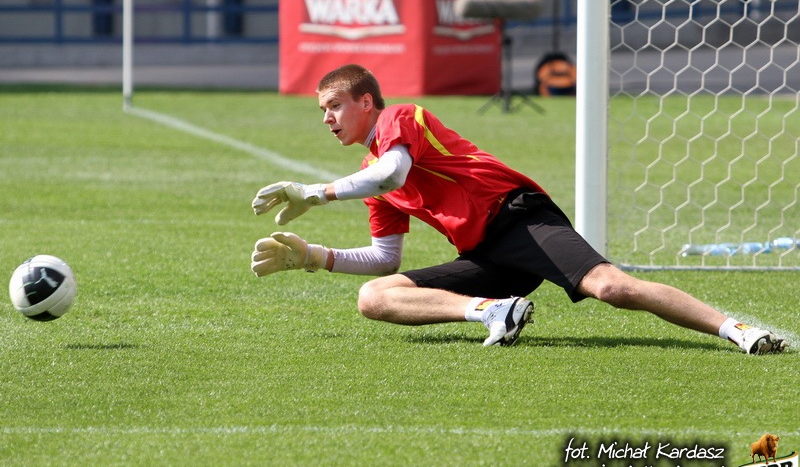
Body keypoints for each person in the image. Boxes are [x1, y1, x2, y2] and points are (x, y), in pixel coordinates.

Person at [250, 63, 786, 354]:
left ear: (366, 102)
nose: (326, 118)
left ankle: (737, 329)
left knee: (613, 288)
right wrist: (313, 257)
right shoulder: (370, 175)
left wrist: (316, 192)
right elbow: (384, 258)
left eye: (334, 106)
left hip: (520, 218)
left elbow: (392, 172)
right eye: (322, 110)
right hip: (486, 255)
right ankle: (493, 311)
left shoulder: (400, 119)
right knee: (374, 298)